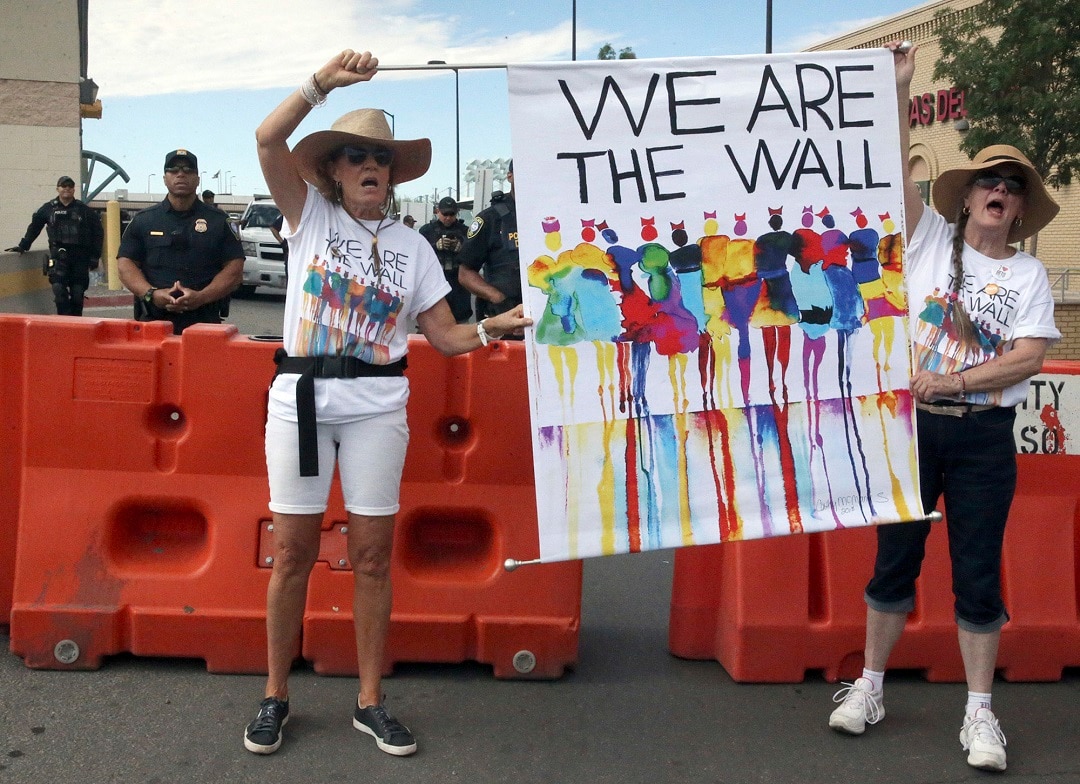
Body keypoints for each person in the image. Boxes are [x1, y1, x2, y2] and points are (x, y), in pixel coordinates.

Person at [245, 48, 531, 758]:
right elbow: (266, 139)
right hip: (302, 399)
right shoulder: (306, 215)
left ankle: (370, 700)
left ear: (393, 174)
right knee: (292, 552)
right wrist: (319, 84)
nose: (371, 165)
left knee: (372, 556)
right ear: (334, 172)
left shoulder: (415, 246)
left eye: (381, 158)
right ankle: (275, 693)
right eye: (355, 156)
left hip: (378, 403)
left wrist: (496, 325)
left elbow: (444, 335)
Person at [827, 42, 1061, 773]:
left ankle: (980, 713)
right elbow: (895, 173)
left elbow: (1028, 357)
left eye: (1011, 185)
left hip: (984, 436)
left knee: (977, 571)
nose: (999, 190)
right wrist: (899, 89)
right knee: (894, 557)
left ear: (1019, 208)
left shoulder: (1027, 274)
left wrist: (954, 382)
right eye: (988, 180)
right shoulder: (928, 238)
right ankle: (869, 687)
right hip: (912, 434)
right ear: (965, 198)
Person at [117, 150, 245, 334]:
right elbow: (125, 264)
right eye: (173, 169)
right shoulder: (144, 220)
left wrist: (201, 297)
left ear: (198, 179)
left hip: (204, 324)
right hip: (153, 322)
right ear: (164, 178)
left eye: (188, 170)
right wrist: (151, 294)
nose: (180, 174)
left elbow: (235, 268)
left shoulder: (219, 221)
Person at [6, 176, 103, 316]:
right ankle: (63, 324)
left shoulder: (84, 210)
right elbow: (35, 227)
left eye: (70, 186)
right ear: (57, 189)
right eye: (63, 186)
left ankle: (76, 326)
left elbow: (98, 232)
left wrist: (95, 256)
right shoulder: (48, 208)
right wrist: (23, 245)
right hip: (58, 256)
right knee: (59, 292)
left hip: (80, 257)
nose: (67, 189)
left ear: (74, 189)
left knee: (77, 294)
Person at [458, 160, 520, 328]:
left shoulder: (552, 216)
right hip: (500, 320)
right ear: (510, 176)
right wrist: (499, 299)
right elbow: (465, 273)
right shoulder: (491, 218)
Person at [419, 196, 471, 323]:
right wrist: (435, 246)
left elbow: (475, 255)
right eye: (445, 214)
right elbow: (418, 255)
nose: (448, 217)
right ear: (438, 212)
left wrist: (461, 248)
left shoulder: (465, 231)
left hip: (458, 283)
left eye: (451, 214)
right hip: (435, 281)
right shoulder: (427, 231)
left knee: (461, 321)